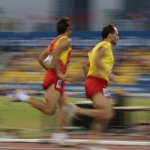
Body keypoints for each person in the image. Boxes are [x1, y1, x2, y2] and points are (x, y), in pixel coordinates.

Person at [6, 16, 72, 142]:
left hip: (54, 75)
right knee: (49, 110)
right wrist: (58, 72)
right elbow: (55, 54)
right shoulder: (66, 40)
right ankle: (22, 96)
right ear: (67, 29)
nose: (71, 30)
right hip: (56, 76)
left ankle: (60, 135)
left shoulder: (54, 41)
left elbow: (41, 58)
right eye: (71, 28)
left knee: (64, 106)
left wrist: (51, 71)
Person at [64, 24, 119, 150]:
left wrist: (89, 80)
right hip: (97, 82)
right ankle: (76, 110)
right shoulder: (106, 45)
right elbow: (97, 59)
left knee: (103, 117)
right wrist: (109, 74)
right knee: (107, 113)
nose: (118, 37)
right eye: (116, 34)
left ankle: (92, 143)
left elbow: (85, 66)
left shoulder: (97, 46)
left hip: (96, 82)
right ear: (110, 35)